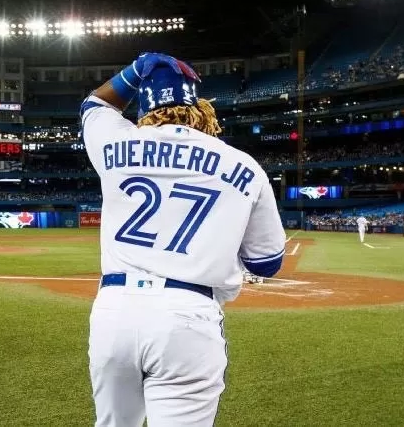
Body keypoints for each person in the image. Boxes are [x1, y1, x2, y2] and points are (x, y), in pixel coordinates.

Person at [81, 52, 286, 426]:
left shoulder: (115, 142)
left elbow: (95, 103)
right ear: (199, 107)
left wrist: (134, 71)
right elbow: (266, 263)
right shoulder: (245, 165)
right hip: (188, 315)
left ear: (144, 105)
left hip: (114, 311)